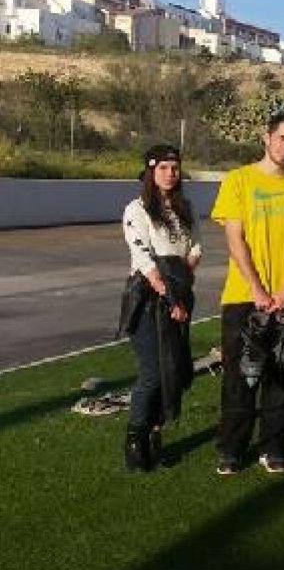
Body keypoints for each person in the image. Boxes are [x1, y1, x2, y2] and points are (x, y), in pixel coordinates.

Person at [211, 110, 284, 475]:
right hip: (244, 297)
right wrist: (258, 289)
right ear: (267, 137)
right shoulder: (238, 181)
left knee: (282, 379)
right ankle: (231, 449)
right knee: (239, 378)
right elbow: (234, 238)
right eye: (282, 138)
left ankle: (273, 447)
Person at [119, 144, 201, 471]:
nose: (170, 173)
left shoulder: (186, 208)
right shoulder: (136, 210)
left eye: (175, 168)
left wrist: (182, 285)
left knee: (175, 372)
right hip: (148, 300)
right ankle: (135, 438)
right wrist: (171, 299)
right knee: (153, 371)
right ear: (151, 171)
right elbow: (144, 261)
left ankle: (155, 433)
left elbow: (195, 248)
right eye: (163, 168)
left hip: (178, 294)